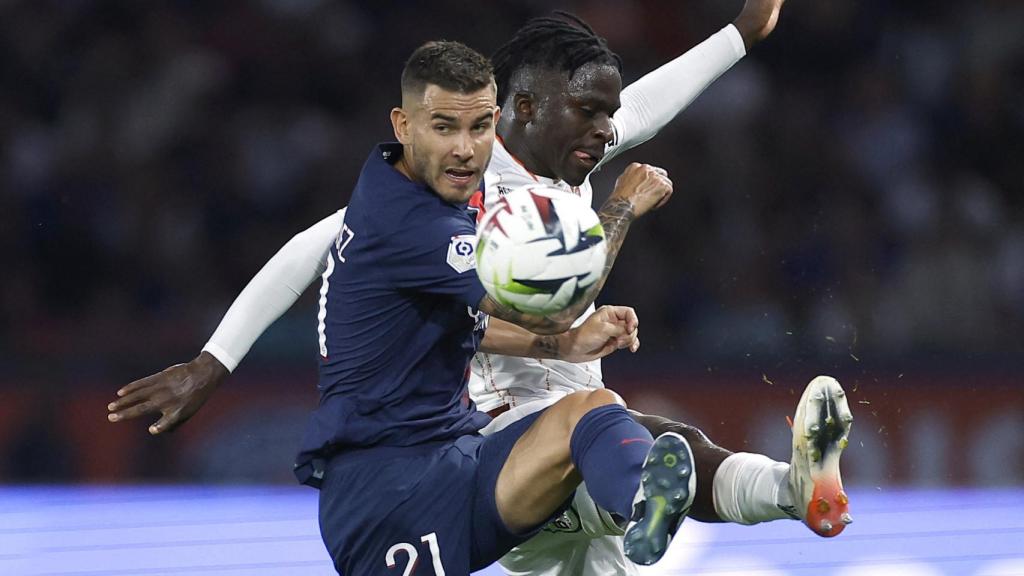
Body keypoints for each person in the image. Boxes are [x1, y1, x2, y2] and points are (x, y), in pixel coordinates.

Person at [108, 1, 854, 572]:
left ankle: (790, 493)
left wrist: (741, 34)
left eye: (607, 114)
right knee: (647, 442)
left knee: (644, 447)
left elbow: (648, 105)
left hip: (566, 409)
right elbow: (311, 248)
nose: (607, 128)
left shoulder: (570, 146)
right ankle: (718, 496)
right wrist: (214, 361)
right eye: (592, 112)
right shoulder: (459, 182)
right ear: (524, 110)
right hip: (499, 427)